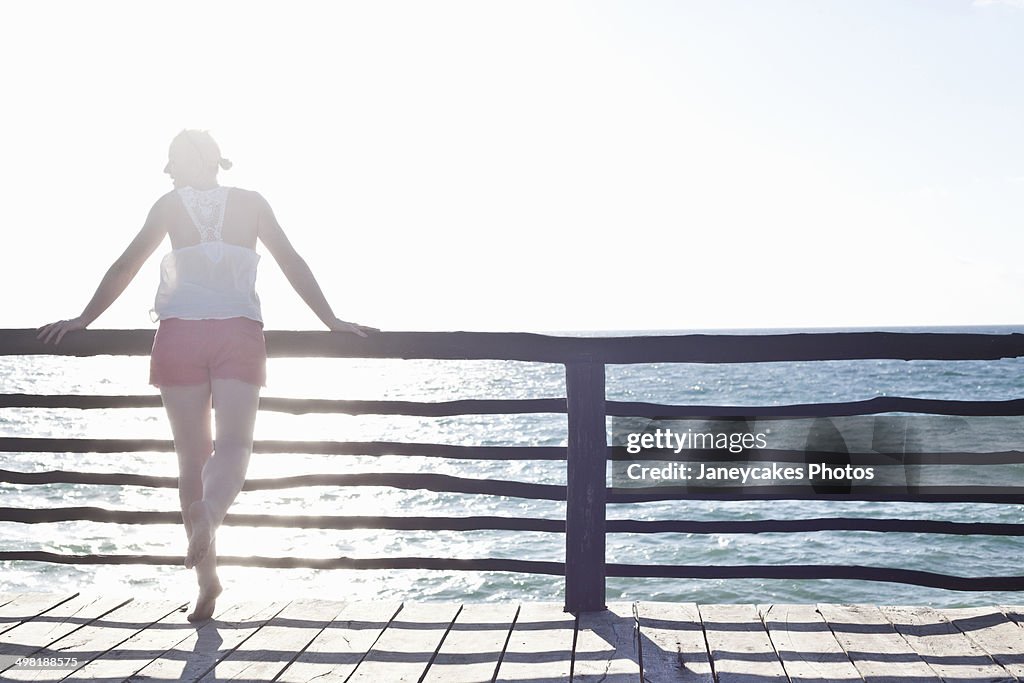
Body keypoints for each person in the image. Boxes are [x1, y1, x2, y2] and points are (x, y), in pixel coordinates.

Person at [37, 129, 377, 622]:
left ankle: (207, 581)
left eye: (172, 161)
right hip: (237, 332)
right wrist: (332, 321)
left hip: (178, 335)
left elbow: (126, 264)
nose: (168, 171)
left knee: (190, 461)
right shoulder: (253, 203)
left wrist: (82, 320)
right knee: (235, 447)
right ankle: (212, 514)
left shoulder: (168, 207)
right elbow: (292, 261)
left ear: (193, 161)